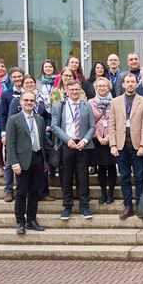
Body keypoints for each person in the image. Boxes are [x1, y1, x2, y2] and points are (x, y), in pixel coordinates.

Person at [51, 79, 96, 220]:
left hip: (83, 144)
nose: (75, 92)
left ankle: (84, 207)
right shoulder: (59, 106)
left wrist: (84, 140)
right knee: (66, 176)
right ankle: (67, 206)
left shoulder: (86, 105)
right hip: (67, 144)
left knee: (83, 176)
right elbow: (54, 126)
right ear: (67, 91)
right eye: (72, 90)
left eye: (77, 89)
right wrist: (67, 140)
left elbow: (92, 127)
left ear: (81, 90)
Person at [108, 73, 143, 220]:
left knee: (139, 177)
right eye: (128, 82)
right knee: (125, 177)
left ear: (137, 84)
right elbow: (111, 125)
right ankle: (128, 207)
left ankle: (139, 206)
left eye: (133, 82)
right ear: (124, 84)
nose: (130, 84)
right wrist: (112, 144)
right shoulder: (115, 101)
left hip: (137, 145)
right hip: (120, 146)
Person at [7, 91, 47, 235]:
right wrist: (14, 163)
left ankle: (31, 220)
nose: (29, 102)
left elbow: (43, 141)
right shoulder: (14, 120)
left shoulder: (39, 119)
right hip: (22, 161)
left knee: (34, 192)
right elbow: (10, 144)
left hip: (37, 159)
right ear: (21, 102)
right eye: (26, 100)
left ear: (35, 102)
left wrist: (45, 161)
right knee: (21, 193)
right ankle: (20, 222)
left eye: (31, 100)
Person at [89, 78, 118, 204]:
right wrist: (99, 137)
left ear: (109, 87)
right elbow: (89, 121)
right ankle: (103, 193)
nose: (102, 88)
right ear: (96, 88)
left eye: (104, 86)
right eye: (99, 86)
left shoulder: (116, 102)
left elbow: (118, 121)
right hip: (97, 139)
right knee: (101, 167)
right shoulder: (90, 102)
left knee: (111, 167)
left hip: (112, 138)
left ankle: (111, 194)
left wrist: (109, 137)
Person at [0, 67, 24, 201]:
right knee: (9, 162)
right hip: (12, 133)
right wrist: (4, 134)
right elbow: (3, 115)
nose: (17, 79)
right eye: (14, 77)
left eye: (19, 76)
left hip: (26, 133)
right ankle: (8, 189)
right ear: (11, 79)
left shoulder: (29, 93)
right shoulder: (6, 94)